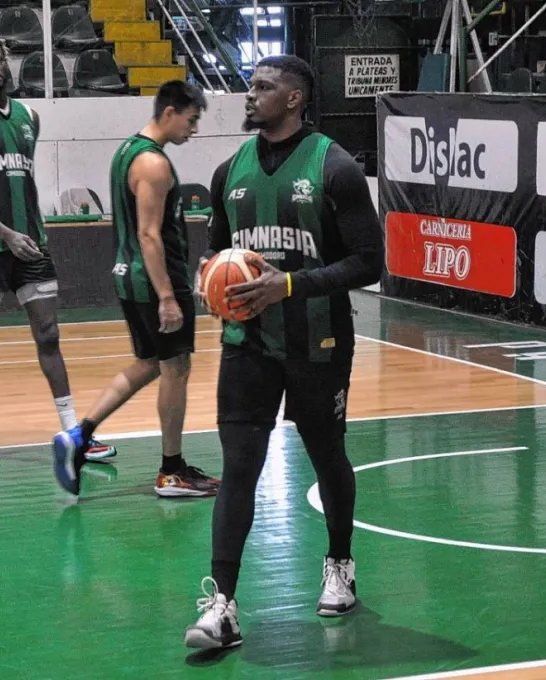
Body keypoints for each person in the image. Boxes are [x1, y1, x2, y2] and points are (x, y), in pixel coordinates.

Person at [182, 55, 384, 649]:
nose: (251, 95)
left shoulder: (335, 167)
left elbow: (370, 262)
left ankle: (340, 564)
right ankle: (222, 605)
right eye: (251, 85)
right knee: (239, 468)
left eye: (264, 87)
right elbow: (218, 249)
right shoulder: (229, 172)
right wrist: (207, 279)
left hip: (318, 342)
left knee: (327, 457)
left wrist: (289, 284)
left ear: (294, 99)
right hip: (247, 344)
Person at [0, 34, 114, 464]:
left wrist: (23, 233)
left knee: (49, 333)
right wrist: (4, 232)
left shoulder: (29, 117)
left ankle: (73, 431)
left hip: (30, 241)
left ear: (7, 63)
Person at [52, 80, 221, 499]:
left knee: (149, 363)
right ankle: (171, 471)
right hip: (154, 280)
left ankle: (78, 435)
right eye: (191, 120)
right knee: (176, 368)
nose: (194, 129)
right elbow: (149, 234)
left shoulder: (127, 150)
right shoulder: (153, 164)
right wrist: (167, 297)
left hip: (129, 275)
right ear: (169, 112)